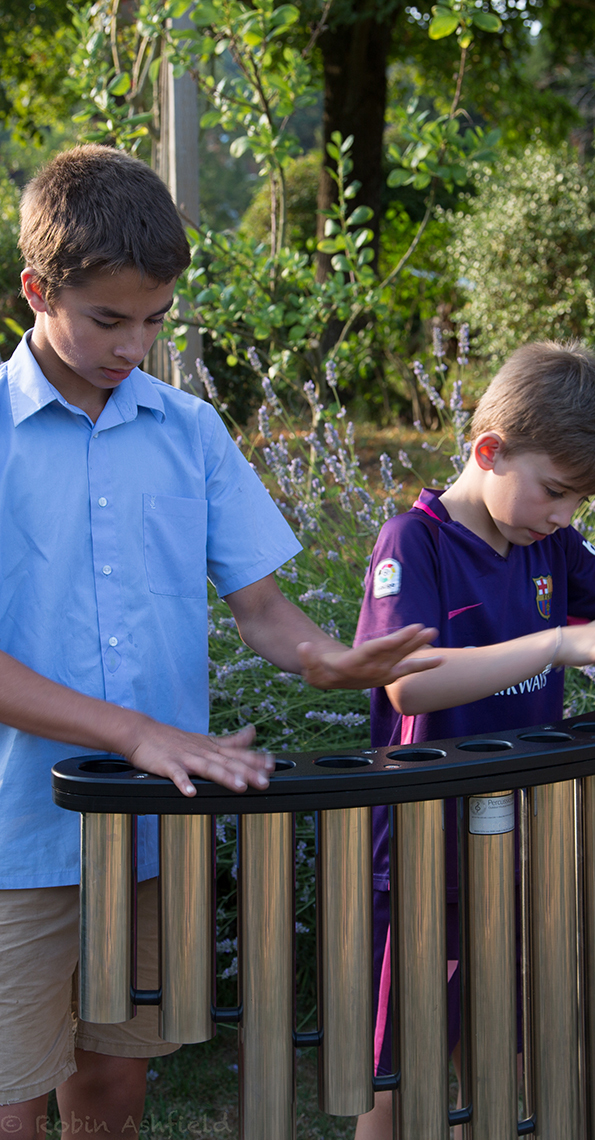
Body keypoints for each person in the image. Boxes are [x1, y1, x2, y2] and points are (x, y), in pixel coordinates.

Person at [0, 144, 441, 1140]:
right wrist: (134, 733)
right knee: (12, 1100)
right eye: (109, 320)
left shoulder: (190, 428)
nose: (135, 346)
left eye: (156, 321)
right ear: (36, 289)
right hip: (13, 836)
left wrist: (328, 658)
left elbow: (264, 612)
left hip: (150, 834)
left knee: (113, 1084)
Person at [352, 340, 595, 1139]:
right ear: (489, 451)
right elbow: (411, 682)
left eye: (578, 503)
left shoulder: (550, 545)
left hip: (523, 845)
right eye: (556, 492)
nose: (565, 516)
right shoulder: (413, 542)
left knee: (499, 1050)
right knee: (399, 1068)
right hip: (428, 856)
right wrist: (555, 646)